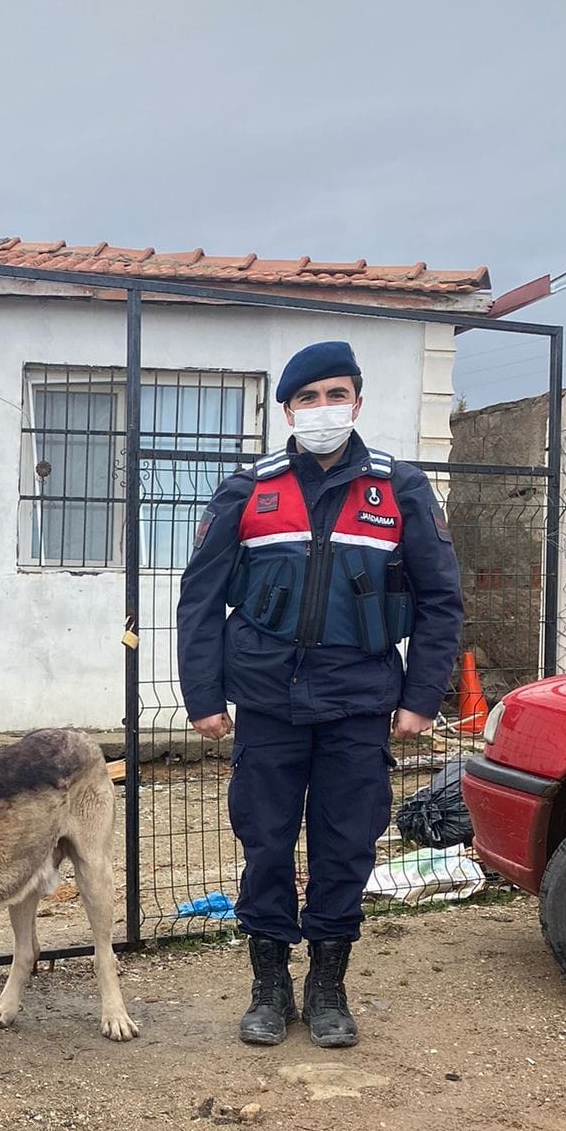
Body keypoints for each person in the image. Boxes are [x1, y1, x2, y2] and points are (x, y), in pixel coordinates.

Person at [176, 339, 463, 1048]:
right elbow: (200, 597)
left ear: (358, 403)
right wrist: (203, 696)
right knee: (265, 843)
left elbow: (441, 602)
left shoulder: (400, 489)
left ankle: (328, 984)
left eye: (337, 395)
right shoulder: (249, 489)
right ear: (287, 411)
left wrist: (422, 699)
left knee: (346, 847)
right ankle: (269, 985)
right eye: (308, 398)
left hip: (359, 702)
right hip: (268, 702)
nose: (323, 409)